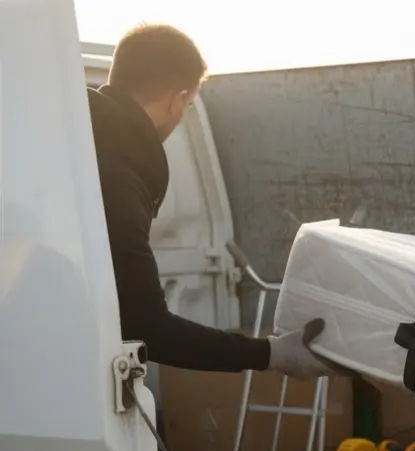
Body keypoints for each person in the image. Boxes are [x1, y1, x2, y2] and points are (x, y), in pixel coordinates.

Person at [89, 23, 333, 377]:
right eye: (187, 105)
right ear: (178, 99)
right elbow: (147, 326)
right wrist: (272, 354)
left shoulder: (72, 144)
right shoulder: (118, 174)